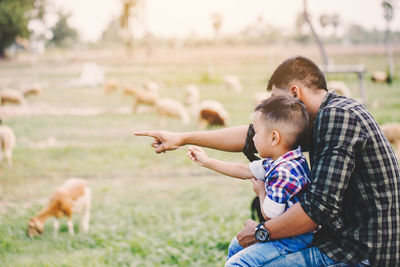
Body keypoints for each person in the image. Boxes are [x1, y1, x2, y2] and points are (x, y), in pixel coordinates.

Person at [135, 56, 400, 266]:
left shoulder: (338, 118)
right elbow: (251, 136)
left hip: (362, 252)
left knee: (246, 263)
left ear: (295, 93)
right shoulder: (318, 119)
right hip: (342, 240)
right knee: (241, 249)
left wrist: (262, 231)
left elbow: (318, 209)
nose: (275, 109)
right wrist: (181, 137)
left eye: (277, 99)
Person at [187, 95, 314, 266]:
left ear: (274, 138)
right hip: (288, 232)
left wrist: (261, 192)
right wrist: (207, 161)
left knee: (238, 263)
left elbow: (271, 216)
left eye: (256, 132)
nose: (252, 138)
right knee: (236, 245)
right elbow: (246, 170)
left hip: (293, 238)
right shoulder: (285, 159)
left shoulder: (284, 172)